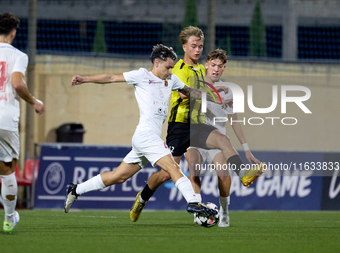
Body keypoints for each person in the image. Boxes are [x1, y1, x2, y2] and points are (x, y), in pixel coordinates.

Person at [64, 44, 229, 217]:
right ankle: (194, 203)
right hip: (146, 136)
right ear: (157, 63)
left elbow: (189, 91)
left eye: (172, 67)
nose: (171, 71)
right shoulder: (142, 76)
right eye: (168, 67)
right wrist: (84, 79)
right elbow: (111, 77)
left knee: (118, 176)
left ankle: (76, 189)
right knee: (173, 167)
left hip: (146, 138)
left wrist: (213, 98)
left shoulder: (171, 80)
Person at [130, 27, 265, 222]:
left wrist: (220, 94)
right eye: (193, 46)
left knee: (222, 138)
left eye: (200, 46)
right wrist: (215, 94)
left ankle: (243, 174)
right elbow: (186, 93)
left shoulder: (201, 69)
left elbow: (205, 88)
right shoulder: (177, 69)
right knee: (167, 174)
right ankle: (142, 198)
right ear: (184, 47)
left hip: (198, 124)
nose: (198, 50)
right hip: (179, 126)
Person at [188, 49, 262, 227]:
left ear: (224, 68)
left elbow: (235, 121)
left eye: (219, 66)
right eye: (213, 65)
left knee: (223, 176)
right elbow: (192, 95)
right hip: (194, 138)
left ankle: (225, 211)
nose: (216, 69)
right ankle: (198, 209)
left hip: (217, 141)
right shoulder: (195, 83)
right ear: (206, 65)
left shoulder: (228, 91)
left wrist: (246, 149)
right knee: (194, 169)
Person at [0, 12, 45, 233]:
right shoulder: (18, 55)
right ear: (14, 33)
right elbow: (17, 84)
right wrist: (34, 101)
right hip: (5, 118)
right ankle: (9, 218)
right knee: (7, 170)